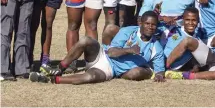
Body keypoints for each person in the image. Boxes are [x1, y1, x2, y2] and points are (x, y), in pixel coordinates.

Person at [29, 11, 166, 84]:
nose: (150, 27)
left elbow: (159, 70)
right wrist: (129, 50)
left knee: (90, 77)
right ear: (140, 23)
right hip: (103, 55)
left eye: (153, 25)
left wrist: (159, 76)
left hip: (110, 70)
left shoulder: (156, 47)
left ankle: (53, 80)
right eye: (147, 24)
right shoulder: (128, 31)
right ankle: (59, 69)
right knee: (86, 40)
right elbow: (111, 52)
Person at [163, 7, 215, 80]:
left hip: (211, 61)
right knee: (188, 41)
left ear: (198, 22)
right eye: (187, 20)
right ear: (183, 20)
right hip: (173, 66)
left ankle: (183, 75)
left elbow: (205, 48)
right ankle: (167, 71)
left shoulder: (197, 37)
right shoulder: (173, 30)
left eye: (194, 20)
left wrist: (195, 65)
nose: (190, 23)